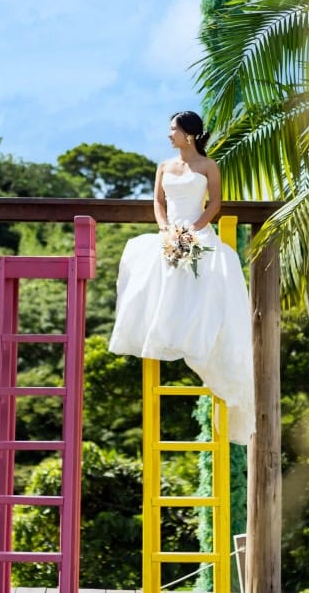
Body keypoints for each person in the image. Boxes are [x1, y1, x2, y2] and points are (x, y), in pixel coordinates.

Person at [108, 111, 255, 444]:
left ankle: (195, 336)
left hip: (197, 231)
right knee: (144, 263)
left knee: (212, 270)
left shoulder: (208, 166)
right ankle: (164, 331)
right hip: (168, 232)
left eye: (173, 129)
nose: (168, 134)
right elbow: (158, 202)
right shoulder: (163, 166)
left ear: (189, 135)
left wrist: (192, 230)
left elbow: (214, 203)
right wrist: (166, 230)